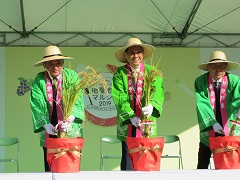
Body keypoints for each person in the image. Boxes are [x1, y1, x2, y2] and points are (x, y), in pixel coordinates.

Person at [111, 38, 165, 170]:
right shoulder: (120, 73)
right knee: (127, 156)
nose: (135, 56)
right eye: (132, 52)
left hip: (147, 121)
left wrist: (152, 105)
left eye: (138, 52)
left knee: (147, 157)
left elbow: (158, 91)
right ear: (126, 55)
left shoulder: (153, 71)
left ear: (143, 53)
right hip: (128, 122)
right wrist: (130, 116)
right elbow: (119, 96)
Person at [30, 45, 85, 172]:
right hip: (50, 127)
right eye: (51, 64)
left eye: (58, 63)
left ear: (63, 63)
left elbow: (78, 97)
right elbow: (37, 103)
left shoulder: (71, 76)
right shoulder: (39, 80)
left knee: (71, 165)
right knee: (50, 168)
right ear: (45, 65)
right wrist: (45, 124)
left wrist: (71, 117)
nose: (55, 67)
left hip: (69, 127)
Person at [195, 50, 240, 169]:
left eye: (221, 66)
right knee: (202, 164)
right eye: (215, 66)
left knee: (230, 164)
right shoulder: (200, 81)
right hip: (210, 125)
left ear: (226, 67)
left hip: (229, 125)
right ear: (208, 67)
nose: (218, 70)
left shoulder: (235, 81)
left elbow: (238, 99)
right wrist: (212, 123)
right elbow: (201, 103)